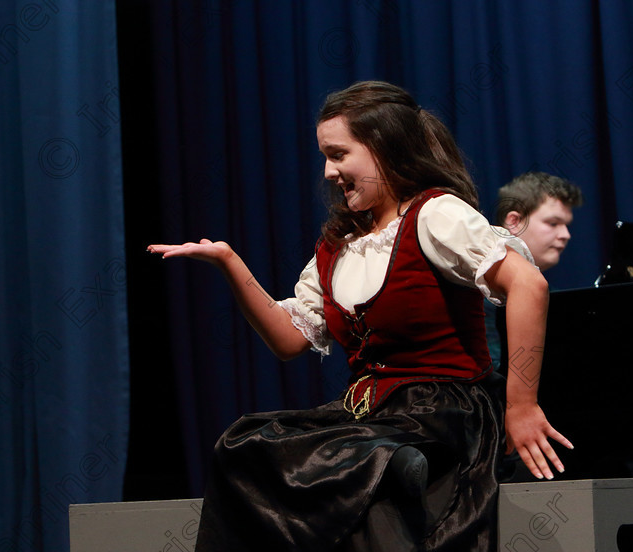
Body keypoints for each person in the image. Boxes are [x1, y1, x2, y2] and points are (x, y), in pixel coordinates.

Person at [148, 81, 572, 551]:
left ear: (383, 149)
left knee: (354, 459)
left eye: (338, 154)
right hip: (370, 413)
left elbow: (529, 286)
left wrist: (521, 405)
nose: (329, 172)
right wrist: (230, 263)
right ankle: (392, 462)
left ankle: (398, 463)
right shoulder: (338, 244)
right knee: (244, 443)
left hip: (445, 410)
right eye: (325, 158)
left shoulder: (435, 214)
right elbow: (289, 340)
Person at [485, 172, 583, 371]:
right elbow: (494, 372)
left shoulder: (552, 295)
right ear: (514, 222)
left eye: (566, 225)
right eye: (553, 223)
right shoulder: (484, 295)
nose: (566, 235)